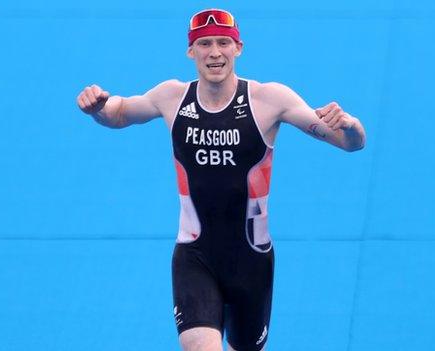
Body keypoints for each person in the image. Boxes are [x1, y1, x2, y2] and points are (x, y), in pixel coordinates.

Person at [76, 8, 366, 351]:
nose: (215, 53)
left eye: (223, 43)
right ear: (190, 51)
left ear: (238, 48)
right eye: (205, 44)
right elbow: (121, 112)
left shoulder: (269, 100)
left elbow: (349, 143)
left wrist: (349, 124)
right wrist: (97, 108)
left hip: (251, 261)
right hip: (194, 256)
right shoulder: (173, 97)